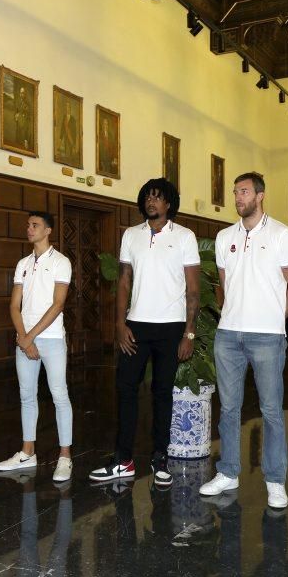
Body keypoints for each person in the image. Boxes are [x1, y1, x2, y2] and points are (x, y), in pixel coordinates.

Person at [199, 172, 288, 509]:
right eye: (235, 192)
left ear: (260, 195)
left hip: (267, 337)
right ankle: (228, 472)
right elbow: (224, 286)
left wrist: (274, 320)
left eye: (243, 192)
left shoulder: (282, 235)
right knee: (229, 408)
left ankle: (275, 480)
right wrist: (232, 316)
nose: (238, 197)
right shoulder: (224, 236)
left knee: (271, 410)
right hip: (228, 335)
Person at [89, 178, 200, 485]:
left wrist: (189, 333)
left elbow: (193, 289)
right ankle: (123, 460)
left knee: (162, 393)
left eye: (158, 197)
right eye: (148, 196)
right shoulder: (131, 235)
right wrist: (119, 323)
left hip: (171, 327)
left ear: (169, 203)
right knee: (125, 389)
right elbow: (124, 280)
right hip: (136, 326)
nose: (152, 201)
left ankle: (160, 459)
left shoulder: (185, 237)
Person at [0, 211, 73, 481]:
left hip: (51, 338)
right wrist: (23, 336)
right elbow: (13, 305)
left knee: (59, 394)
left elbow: (58, 304)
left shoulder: (61, 262)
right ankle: (27, 452)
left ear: (48, 230)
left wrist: (29, 337)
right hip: (25, 337)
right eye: (28, 225)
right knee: (27, 395)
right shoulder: (23, 263)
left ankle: (65, 456)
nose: (29, 229)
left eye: (35, 225)